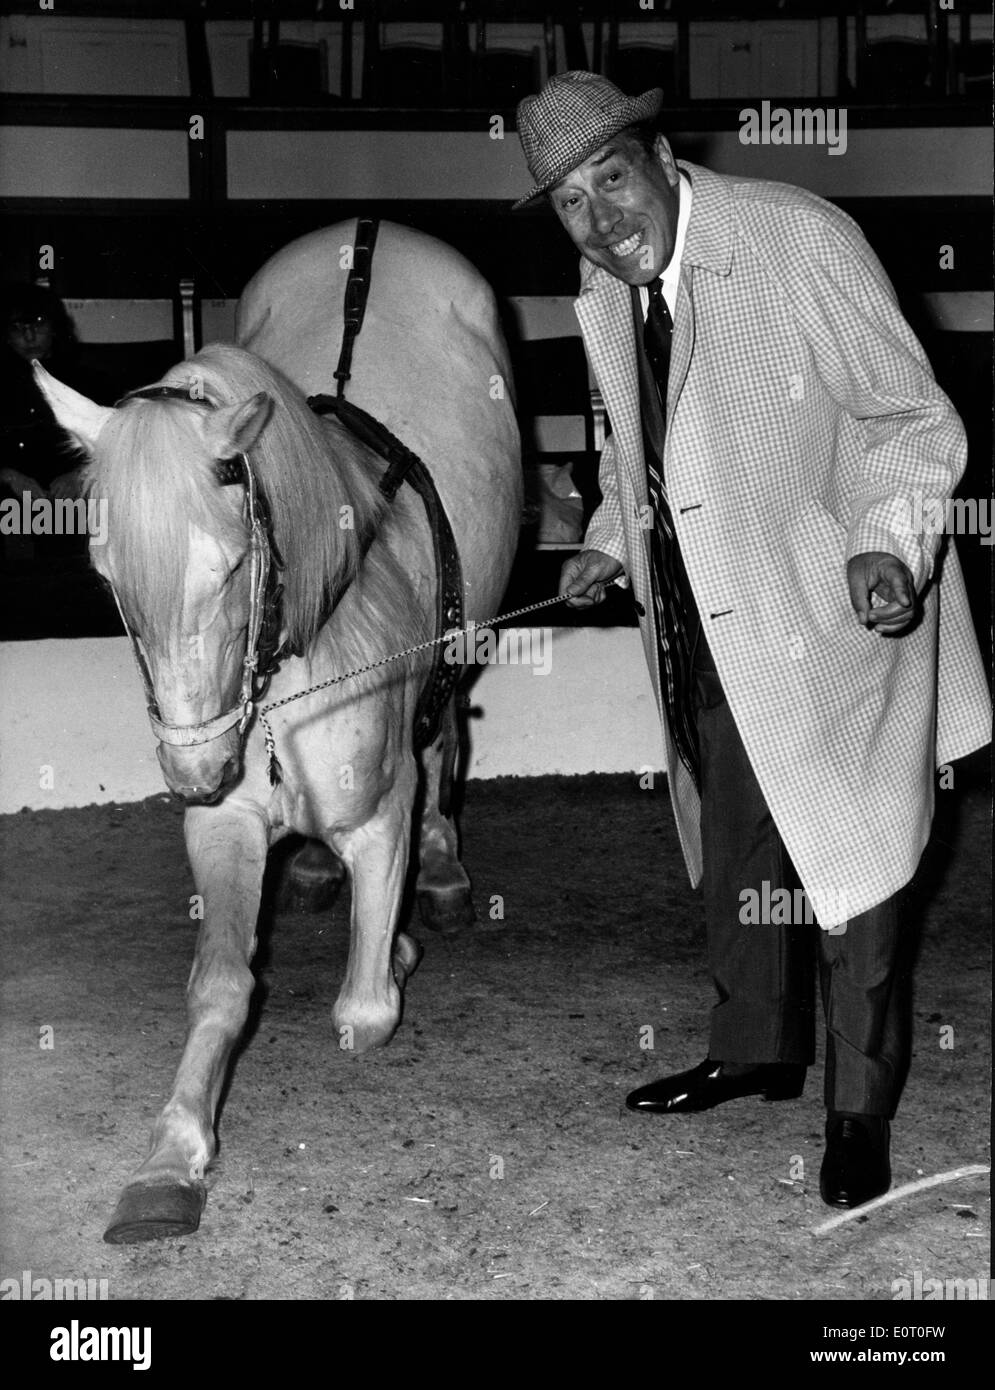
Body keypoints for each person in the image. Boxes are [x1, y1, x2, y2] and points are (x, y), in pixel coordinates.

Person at [513, 71, 990, 1209]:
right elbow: (644, 445)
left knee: (854, 867)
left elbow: (910, 418)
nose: (599, 219)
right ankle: (754, 1049)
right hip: (711, 621)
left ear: (661, 155)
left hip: (837, 606)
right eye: (570, 203)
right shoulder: (604, 283)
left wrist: (886, 541)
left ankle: (855, 1109)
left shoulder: (796, 240)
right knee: (738, 849)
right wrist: (612, 544)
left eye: (611, 180)